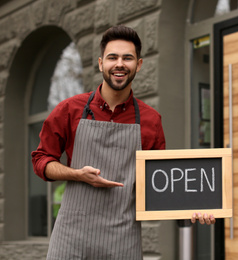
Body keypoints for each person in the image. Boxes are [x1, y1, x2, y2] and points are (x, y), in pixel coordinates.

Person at [31, 25, 215, 260]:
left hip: (122, 240)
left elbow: (160, 185)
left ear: (138, 65)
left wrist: (193, 207)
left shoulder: (151, 120)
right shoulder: (69, 110)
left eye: (127, 58)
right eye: (112, 57)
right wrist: (77, 174)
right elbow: (41, 160)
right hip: (71, 237)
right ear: (101, 63)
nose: (120, 64)